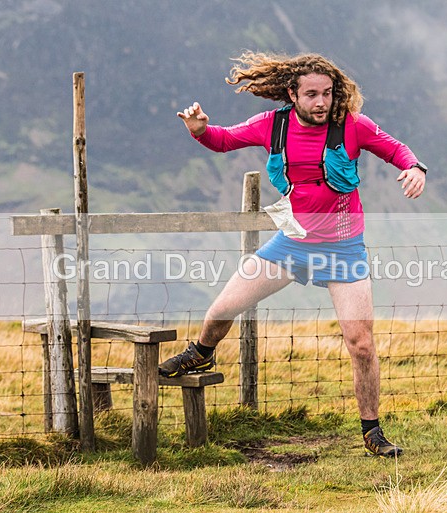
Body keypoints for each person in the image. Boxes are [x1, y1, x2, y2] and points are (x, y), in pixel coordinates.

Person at [162, 52, 427, 458]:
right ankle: (200, 355)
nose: (322, 103)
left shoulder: (353, 126)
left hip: (343, 248)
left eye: (327, 93)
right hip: (291, 244)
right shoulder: (273, 125)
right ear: (292, 94)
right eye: (312, 95)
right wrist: (200, 130)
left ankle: (372, 431)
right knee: (220, 311)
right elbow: (224, 139)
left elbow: (396, 149)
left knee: (361, 344)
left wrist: (415, 168)